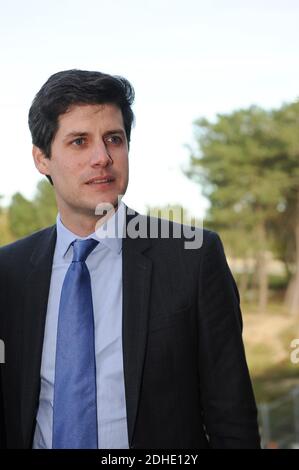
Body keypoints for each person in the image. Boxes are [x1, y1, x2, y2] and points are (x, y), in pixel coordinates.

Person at [0, 69, 260, 449]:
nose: (102, 157)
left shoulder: (193, 257)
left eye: (113, 139)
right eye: (79, 142)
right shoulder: (10, 272)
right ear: (42, 158)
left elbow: (232, 421)